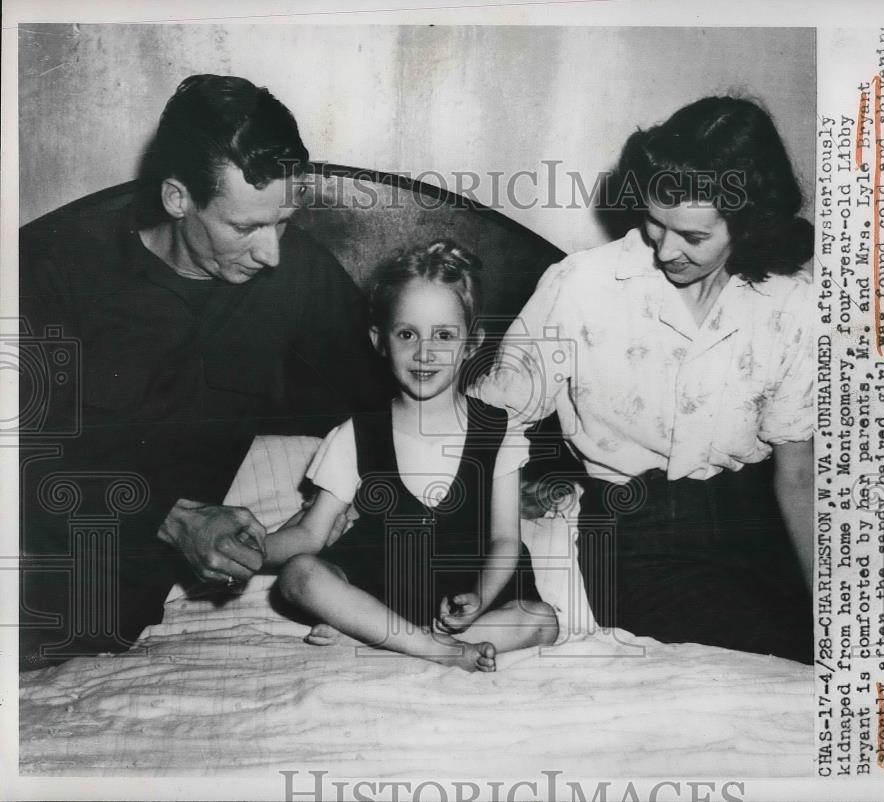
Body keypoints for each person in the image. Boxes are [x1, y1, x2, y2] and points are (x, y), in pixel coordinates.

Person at [19, 75, 385, 668]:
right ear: (176, 198)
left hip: (93, 621)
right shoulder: (50, 268)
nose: (273, 253)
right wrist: (171, 517)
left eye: (284, 221)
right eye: (245, 228)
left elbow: (397, 405)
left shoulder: (298, 280)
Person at [472, 96, 815, 663]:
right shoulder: (583, 286)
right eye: (655, 222)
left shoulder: (792, 303)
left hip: (756, 526)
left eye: (693, 237)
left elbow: (798, 476)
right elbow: (488, 422)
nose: (665, 249)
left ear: (749, 225)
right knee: (772, 653)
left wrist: (830, 607)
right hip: (637, 530)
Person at [267, 240, 558, 672]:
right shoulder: (356, 434)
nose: (425, 352)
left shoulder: (502, 432)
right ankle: (433, 648)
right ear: (379, 341)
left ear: (472, 343)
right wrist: (247, 548)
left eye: (444, 335)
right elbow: (310, 535)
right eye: (407, 334)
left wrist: (479, 597)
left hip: (463, 596)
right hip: (381, 588)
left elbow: (504, 540)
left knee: (543, 620)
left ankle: (385, 637)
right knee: (299, 575)